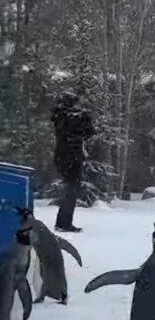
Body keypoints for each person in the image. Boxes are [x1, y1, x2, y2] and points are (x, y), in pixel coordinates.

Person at [51, 91, 94, 233]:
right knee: (71, 190)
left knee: (72, 191)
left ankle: (63, 222)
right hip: (67, 158)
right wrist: (81, 117)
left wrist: (84, 117)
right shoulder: (63, 117)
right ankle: (63, 223)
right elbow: (71, 129)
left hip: (70, 157)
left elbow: (89, 132)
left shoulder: (68, 117)